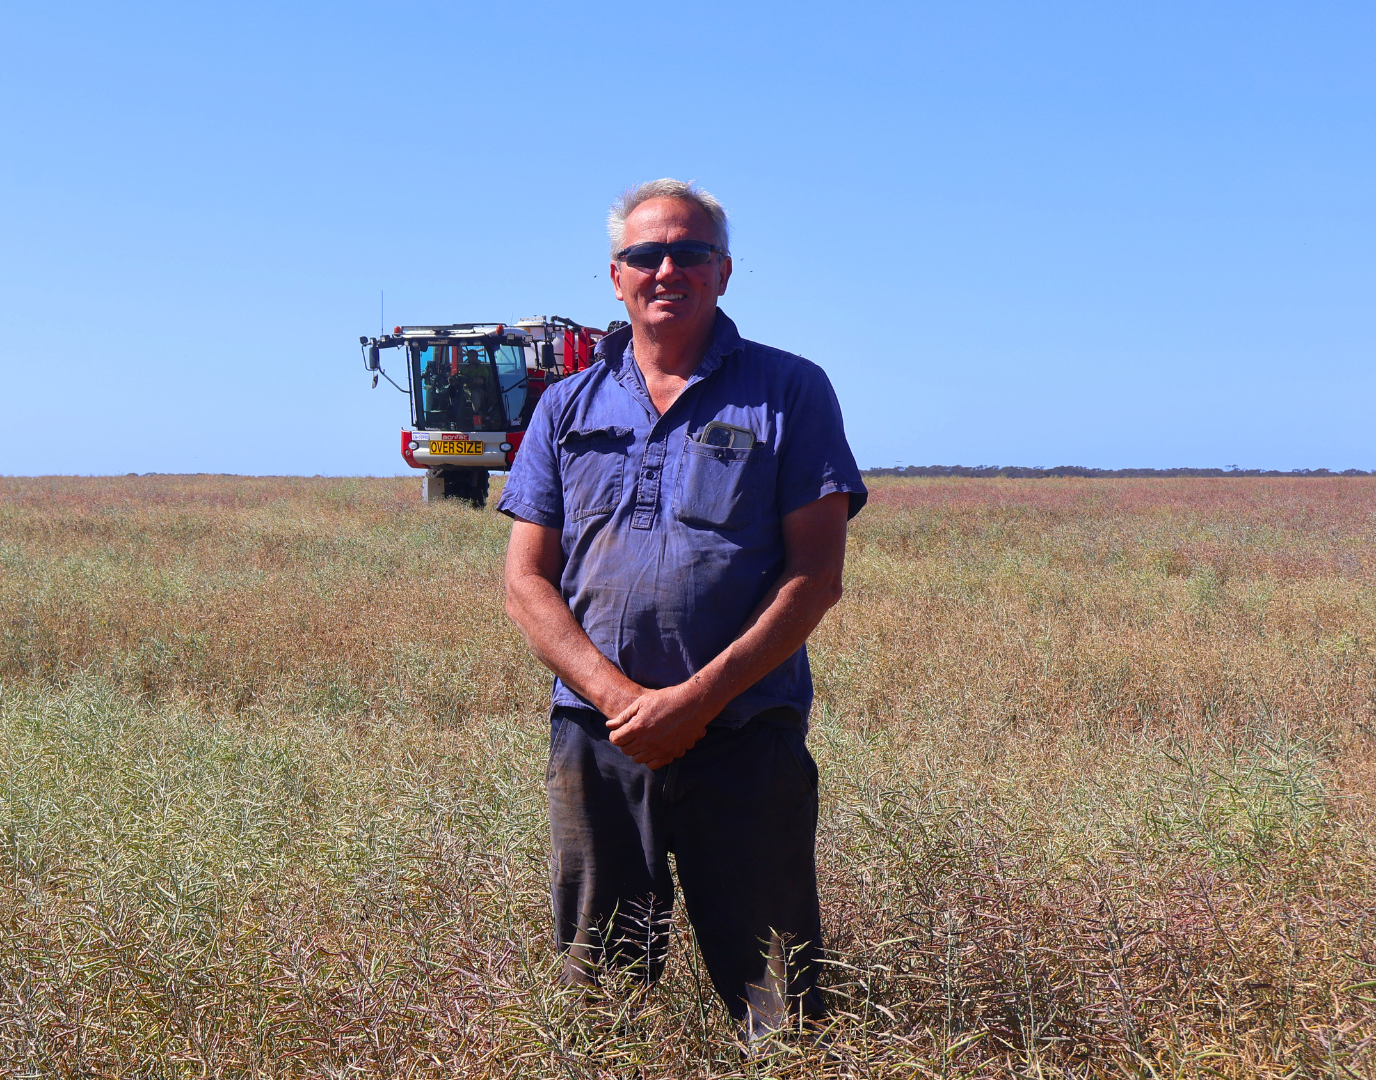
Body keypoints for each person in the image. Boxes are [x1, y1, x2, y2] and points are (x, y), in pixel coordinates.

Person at [498, 179, 866, 1041]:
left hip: (745, 737)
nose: (668, 269)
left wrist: (694, 702)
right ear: (615, 277)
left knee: (778, 995)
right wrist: (625, 704)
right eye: (645, 255)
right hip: (597, 742)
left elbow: (816, 576)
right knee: (600, 991)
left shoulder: (789, 392)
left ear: (724, 272)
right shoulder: (565, 408)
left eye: (689, 253)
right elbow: (526, 582)